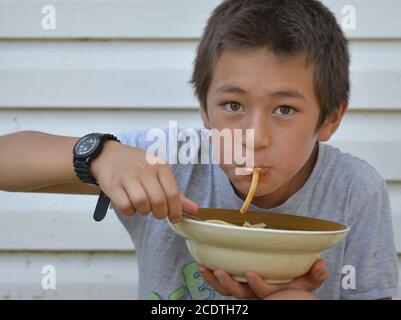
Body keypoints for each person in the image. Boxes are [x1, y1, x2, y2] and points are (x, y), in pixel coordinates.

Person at [0, 0, 398, 300]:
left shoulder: (353, 191)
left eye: (284, 109)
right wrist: (98, 154)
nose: (253, 136)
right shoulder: (170, 160)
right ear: (204, 110)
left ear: (330, 118)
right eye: (233, 106)